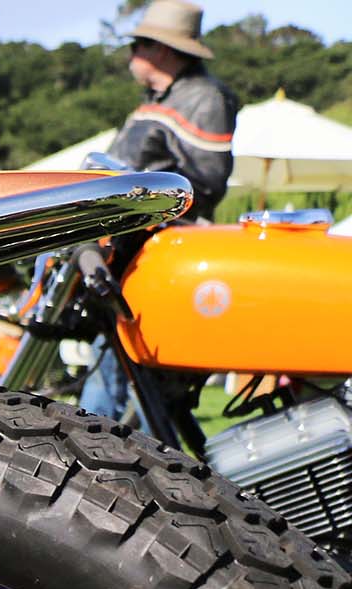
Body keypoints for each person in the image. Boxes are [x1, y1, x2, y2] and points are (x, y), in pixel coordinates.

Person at [81, 0, 238, 422]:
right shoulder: (156, 101)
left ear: (163, 50)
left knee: (132, 381)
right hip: (127, 249)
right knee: (110, 366)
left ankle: (96, 456)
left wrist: (142, 194)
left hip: (157, 253)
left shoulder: (204, 98)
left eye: (139, 45)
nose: (131, 53)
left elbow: (205, 183)